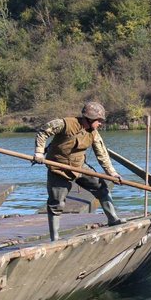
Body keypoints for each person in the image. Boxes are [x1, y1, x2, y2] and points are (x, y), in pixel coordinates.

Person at [32, 101, 123, 241]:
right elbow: (44, 131)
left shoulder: (94, 133)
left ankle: (113, 219)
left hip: (80, 167)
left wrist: (112, 173)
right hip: (59, 169)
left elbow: (102, 154)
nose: (101, 124)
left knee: (101, 187)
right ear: (90, 118)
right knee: (56, 203)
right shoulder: (66, 124)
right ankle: (55, 238)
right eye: (99, 120)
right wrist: (39, 153)